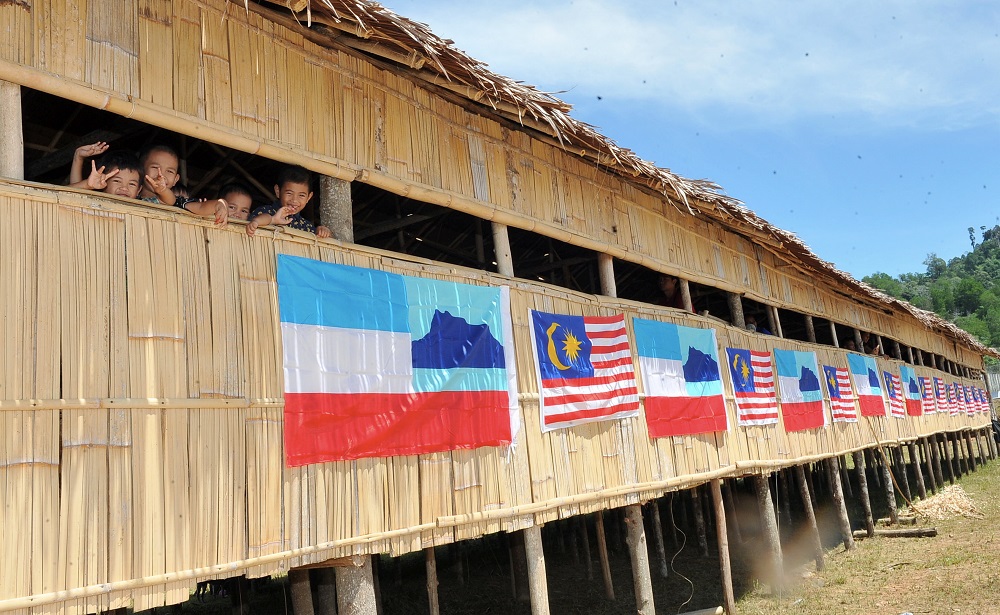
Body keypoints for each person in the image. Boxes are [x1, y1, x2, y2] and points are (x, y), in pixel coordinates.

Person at [137, 145, 228, 225]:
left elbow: (201, 207)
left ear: (175, 180)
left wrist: (220, 204)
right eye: (155, 167)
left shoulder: (178, 202)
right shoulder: (129, 195)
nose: (162, 175)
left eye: (169, 171)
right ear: (141, 169)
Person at [246, 165, 332, 238]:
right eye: (289, 193)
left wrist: (322, 231)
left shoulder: (307, 226)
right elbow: (255, 222)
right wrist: (270, 220)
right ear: (278, 191)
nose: (294, 200)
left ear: (308, 197)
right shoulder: (265, 211)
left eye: (301, 195)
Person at [70, 152, 143, 199]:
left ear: (138, 190)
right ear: (103, 182)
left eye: (132, 184)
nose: (124, 188)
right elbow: (68, 196)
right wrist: (86, 185)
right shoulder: (94, 202)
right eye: (117, 181)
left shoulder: (143, 211)